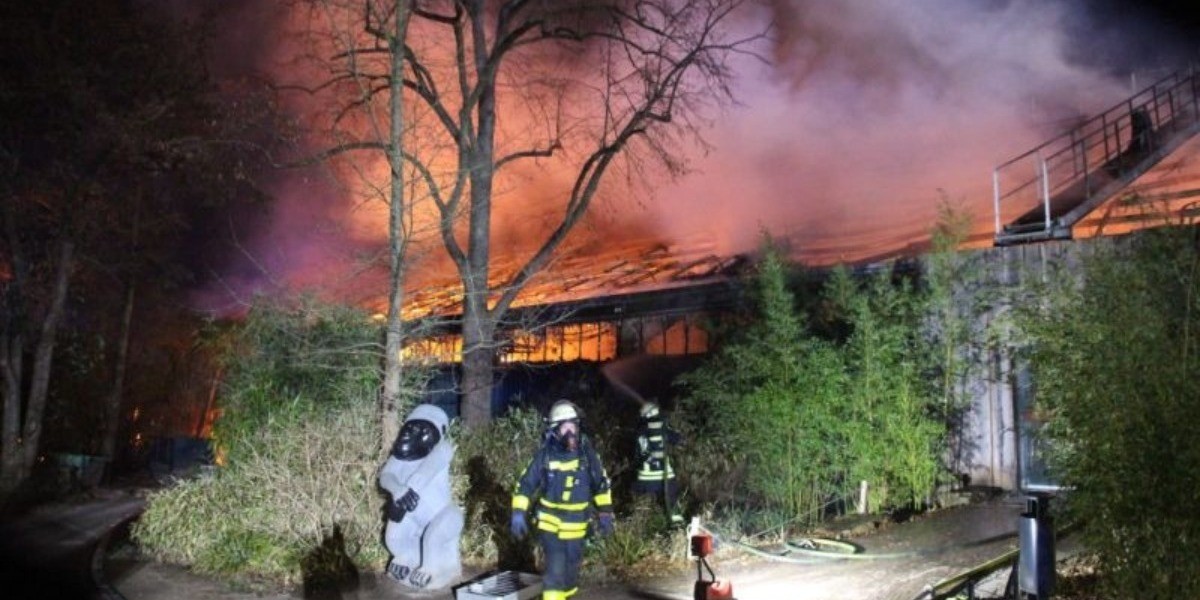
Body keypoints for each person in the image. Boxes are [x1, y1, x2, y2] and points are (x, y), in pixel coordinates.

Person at [511, 399, 614, 600]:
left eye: (573, 426)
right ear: (554, 430)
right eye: (565, 427)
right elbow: (525, 485)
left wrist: (605, 512)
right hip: (551, 527)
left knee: (570, 575)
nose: (570, 432)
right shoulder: (545, 456)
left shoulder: (587, 455)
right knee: (554, 574)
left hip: (577, 527)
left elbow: (601, 484)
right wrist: (518, 513)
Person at [379, 404, 463, 590]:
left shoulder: (443, 449)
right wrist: (397, 491)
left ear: (437, 432)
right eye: (409, 427)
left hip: (444, 515)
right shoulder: (400, 457)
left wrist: (404, 495)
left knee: (432, 538)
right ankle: (407, 558)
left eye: (421, 428)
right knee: (393, 538)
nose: (411, 432)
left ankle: (431, 569)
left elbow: (425, 473)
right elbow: (386, 477)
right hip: (412, 514)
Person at [633, 401, 684, 524]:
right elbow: (678, 439)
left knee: (642, 504)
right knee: (672, 499)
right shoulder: (663, 426)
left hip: (645, 477)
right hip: (665, 475)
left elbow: (640, 451)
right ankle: (676, 526)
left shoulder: (641, 429)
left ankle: (642, 525)